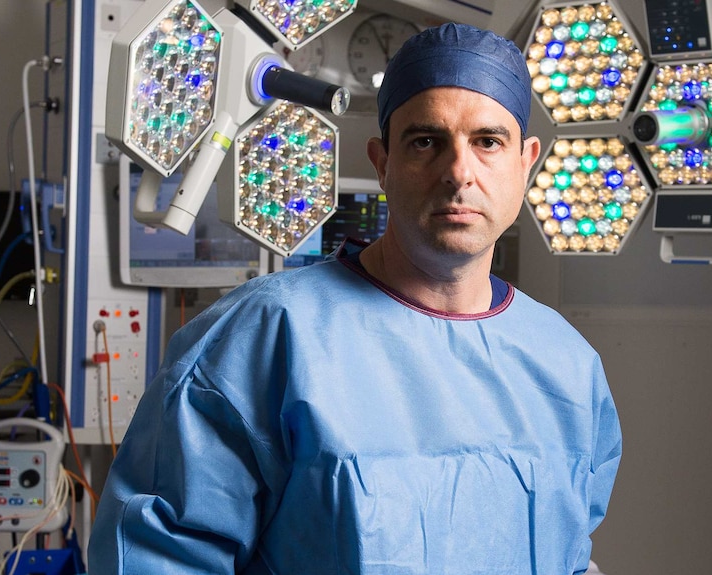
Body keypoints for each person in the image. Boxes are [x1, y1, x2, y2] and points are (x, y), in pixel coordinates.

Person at [88, 22, 621, 574]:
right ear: (382, 162)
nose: (459, 173)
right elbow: (158, 558)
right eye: (426, 142)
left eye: (488, 142)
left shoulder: (566, 364)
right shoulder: (268, 335)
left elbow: (570, 555)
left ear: (525, 161)